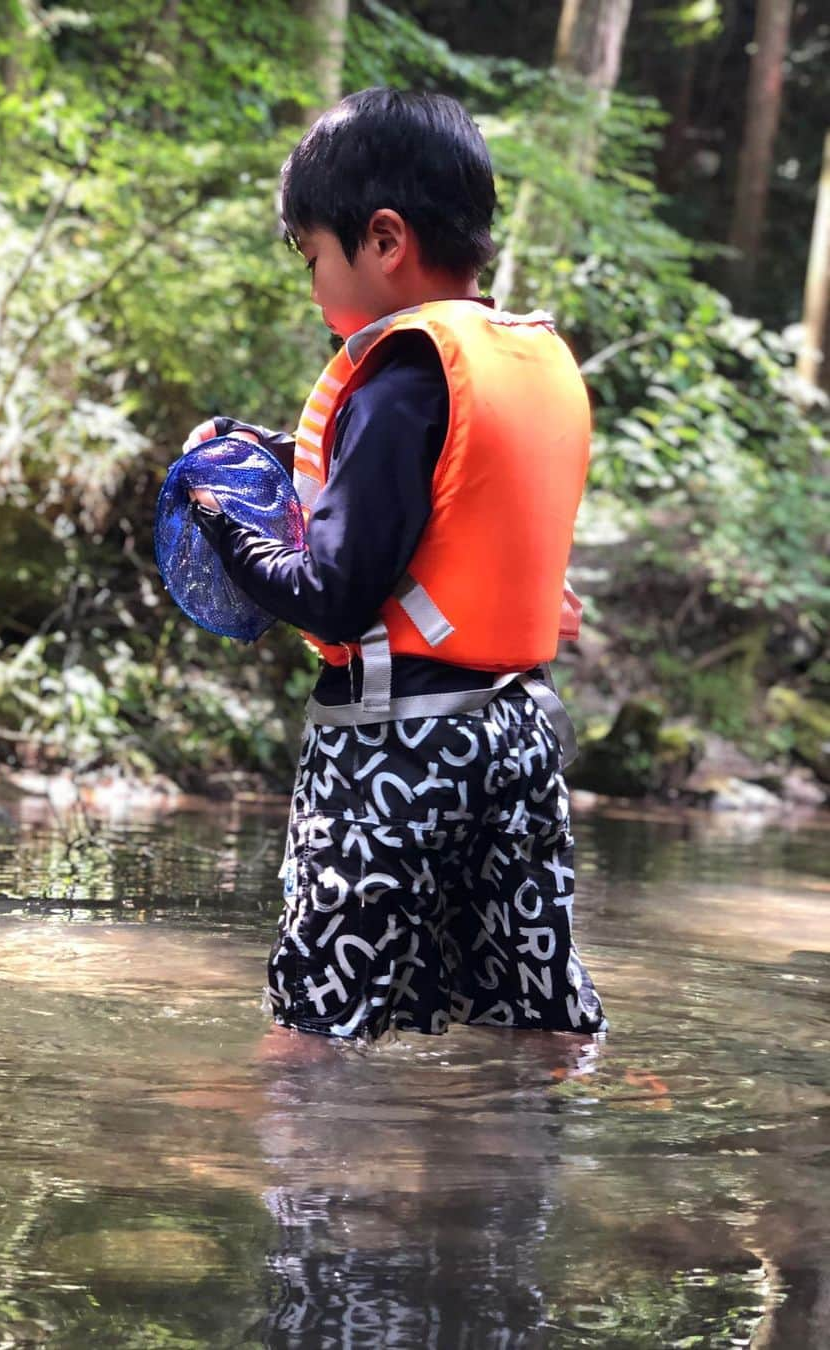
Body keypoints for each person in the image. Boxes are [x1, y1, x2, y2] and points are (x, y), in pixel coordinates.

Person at [186, 87, 606, 1041]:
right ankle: (523, 1183)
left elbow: (331, 599)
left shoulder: (399, 379)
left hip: (397, 752)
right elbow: (438, 527)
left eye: (313, 257)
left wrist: (216, 515)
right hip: (518, 738)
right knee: (533, 1018)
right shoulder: (529, 361)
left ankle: (306, 1186)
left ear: (384, 240)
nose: (312, 284)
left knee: (317, 1029)